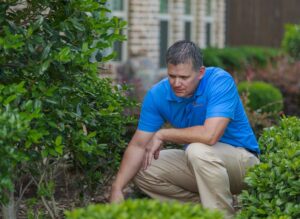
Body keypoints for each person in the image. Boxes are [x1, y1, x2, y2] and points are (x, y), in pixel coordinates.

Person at [110, 40, 260, 217]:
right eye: (172, 76)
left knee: (198, 150)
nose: (176, 83)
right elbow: (138, 145)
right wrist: (117, 187)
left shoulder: (219, 81)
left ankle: (221, 216)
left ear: (200, 72)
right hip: (202, 164)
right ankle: (201, 211)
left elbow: (210, 136)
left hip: (243, 164)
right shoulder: (157, 95)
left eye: (184, 77)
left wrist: (163, 134)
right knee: (143, 166)